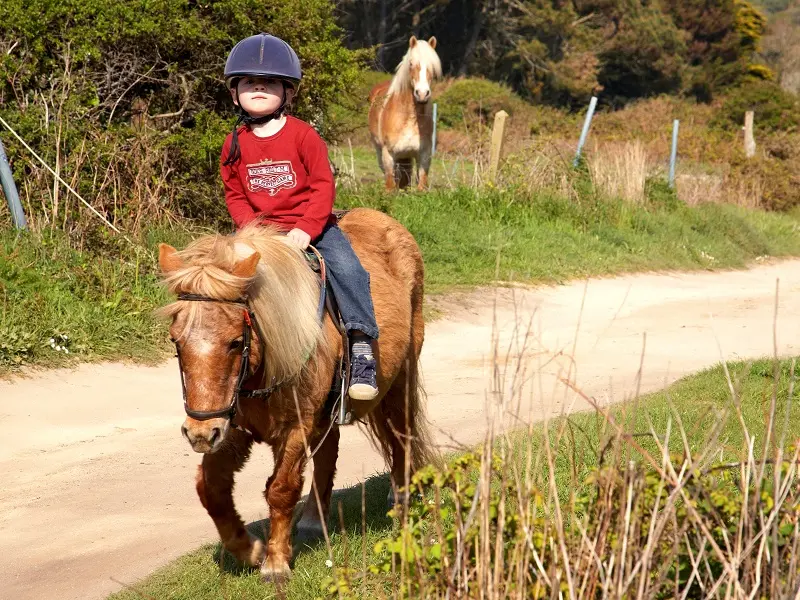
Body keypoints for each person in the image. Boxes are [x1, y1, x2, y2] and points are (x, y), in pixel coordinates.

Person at [219, 33, 379, 401]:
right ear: (234, 93)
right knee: (221, 278)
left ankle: (360, 345)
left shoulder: (303, 136)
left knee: (350, 271)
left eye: (270, 81)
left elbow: (323, 187)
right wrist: (250, 231)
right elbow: (234, 193)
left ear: (288, 93)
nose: (258, 86)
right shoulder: (234, 143)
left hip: (313, 228)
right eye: (248, 81)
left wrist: (306, 229)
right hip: (260, 232)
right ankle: (228, 355)